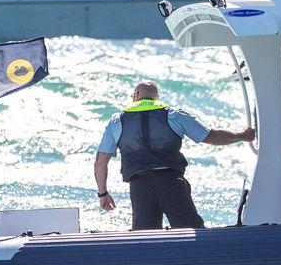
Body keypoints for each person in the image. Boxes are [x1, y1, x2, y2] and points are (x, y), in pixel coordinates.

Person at [94, 80, 256, 231]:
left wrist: (103, 193)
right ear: (156, 97)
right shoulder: (173, 114)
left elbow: (101, 162)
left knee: (145, 238)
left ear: (135, 97)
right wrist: (241, 135)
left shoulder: (117, 121)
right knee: (191, 231)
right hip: (170, 183)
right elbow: (212, 136)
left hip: (139, 186)